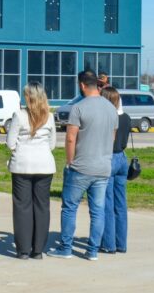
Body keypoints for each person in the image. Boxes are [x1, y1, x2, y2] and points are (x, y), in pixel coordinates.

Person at [48, 70, 118, 261]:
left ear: (81, 85)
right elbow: (112, 137)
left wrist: (70, 162)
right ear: (97, 84)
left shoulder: (78, 108)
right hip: (103, 167)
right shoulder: (111, 108)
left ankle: (66, 247)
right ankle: (93, 250)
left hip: (81, 167)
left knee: (70, 208)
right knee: (97, 211)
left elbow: (71, 138)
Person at [5, 82, 57, 259]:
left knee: (22, 206)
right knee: (42, 206)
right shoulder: (49, 117)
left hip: (22, 164)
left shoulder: (19, 115)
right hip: (45, 164)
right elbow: (52, 144)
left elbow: (10, 143)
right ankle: (38, 249)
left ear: (28, 97)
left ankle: (23, 249)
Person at [100, 86, 131, 254]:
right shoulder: (126, 117)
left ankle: (108, 244)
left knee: (107, 203)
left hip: (109, 158)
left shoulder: (107, 118)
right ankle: (121, 243)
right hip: (122, 159)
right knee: (121, 204)